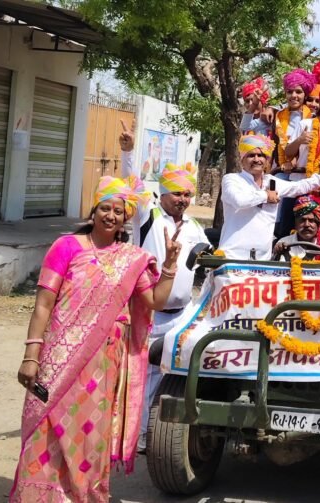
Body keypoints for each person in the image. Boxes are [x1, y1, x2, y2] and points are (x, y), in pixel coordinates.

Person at [10, 175, 182, 502]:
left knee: (88, 433)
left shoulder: (132, 259)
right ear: (94, 210)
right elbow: (44, 304)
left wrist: (170, 266)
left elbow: (155, 302)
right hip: (56, 359)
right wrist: (32, 355)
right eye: (105, 208)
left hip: (102, 363)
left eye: (119, 211)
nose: (111, 216)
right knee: (45, 424)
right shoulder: (66, 247)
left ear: (125, 219)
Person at [118, 122, 210, 452]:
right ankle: (137, 438)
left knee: (168, 376)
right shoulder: (149, 217)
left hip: (181, 316)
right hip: (149, 314)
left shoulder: (196, 227)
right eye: (177, 193)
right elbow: (133, 185)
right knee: (142, 376)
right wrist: (129, 152)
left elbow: (208, 260)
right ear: (163, 193)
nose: (183, 199)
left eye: (188, 194)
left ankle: (153, 435)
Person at [218, 134, 320, 260]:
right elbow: (239, 201)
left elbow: (301, 186)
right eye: (251, 155)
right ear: (242, 159)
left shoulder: (272, 182)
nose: (257, 159)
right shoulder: (232, 180)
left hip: (262, 258)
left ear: (267, 160)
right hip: (232, 255)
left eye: (261, 155)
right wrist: (265, 195)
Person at [273, 68, 317, 237]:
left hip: (303, 171)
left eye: (298, 92)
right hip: (282, 170)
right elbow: (278, 144)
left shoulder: (312, 115)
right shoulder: (278, 116)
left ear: (305, 94)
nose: (294, 96)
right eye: (289, 92)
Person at [273, 194, 320, 259]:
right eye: (302, 220)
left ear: (319, 224)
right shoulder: (284, 243)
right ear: (295, 224)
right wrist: (278, 252)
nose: (306, 224)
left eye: (311, 220)